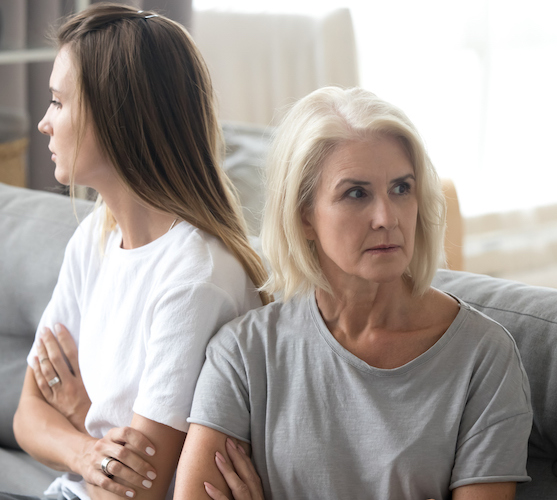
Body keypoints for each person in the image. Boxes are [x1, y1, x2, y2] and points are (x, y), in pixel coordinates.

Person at [0, 4, 267, 500]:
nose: (44, 123)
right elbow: (27, 415)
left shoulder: (194, 278)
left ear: (119, 118)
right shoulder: (96, 235)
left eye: (59, 103)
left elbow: (136, 489)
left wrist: (77, 417)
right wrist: (85, 451)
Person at [174, 86, 533, 500]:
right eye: (356, 193)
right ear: (304, 216)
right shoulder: (242, 354)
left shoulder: (484, 357)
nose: (387, 217)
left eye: (401, 188)